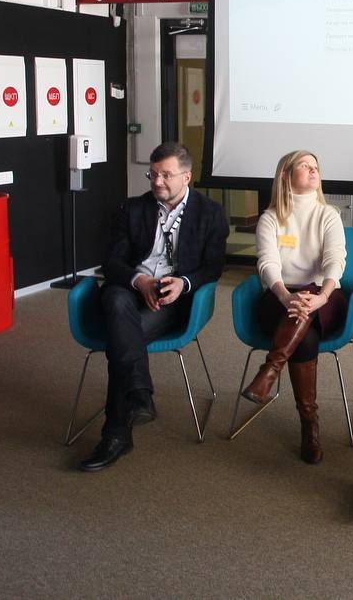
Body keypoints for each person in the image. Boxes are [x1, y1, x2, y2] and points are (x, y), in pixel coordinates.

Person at [80, 142, 228, 472]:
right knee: (116, 303)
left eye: (166, 175)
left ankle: (117, 432)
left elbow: (214, 267)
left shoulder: (210, 213)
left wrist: (183, 284)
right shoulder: (132, 209)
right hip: (130, 288)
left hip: (171, 298)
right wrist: (139, 281)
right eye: (153, 174)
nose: (157, 181)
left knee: (122, 339)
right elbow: (112, 262)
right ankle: (138, 395)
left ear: (186, 177)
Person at [239, 150, 347, 464]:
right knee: (306, 336)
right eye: (305, 166)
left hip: (323, 297)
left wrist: (322, 297)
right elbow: (267, 264)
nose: (313, 171)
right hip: (280, 298)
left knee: (307, 317)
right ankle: (309, 423)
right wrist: (286, 296)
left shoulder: (328, 215)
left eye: (316, 167)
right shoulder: (270, 218)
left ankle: (270, 370)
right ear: (286, 175)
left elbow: (335, 261)